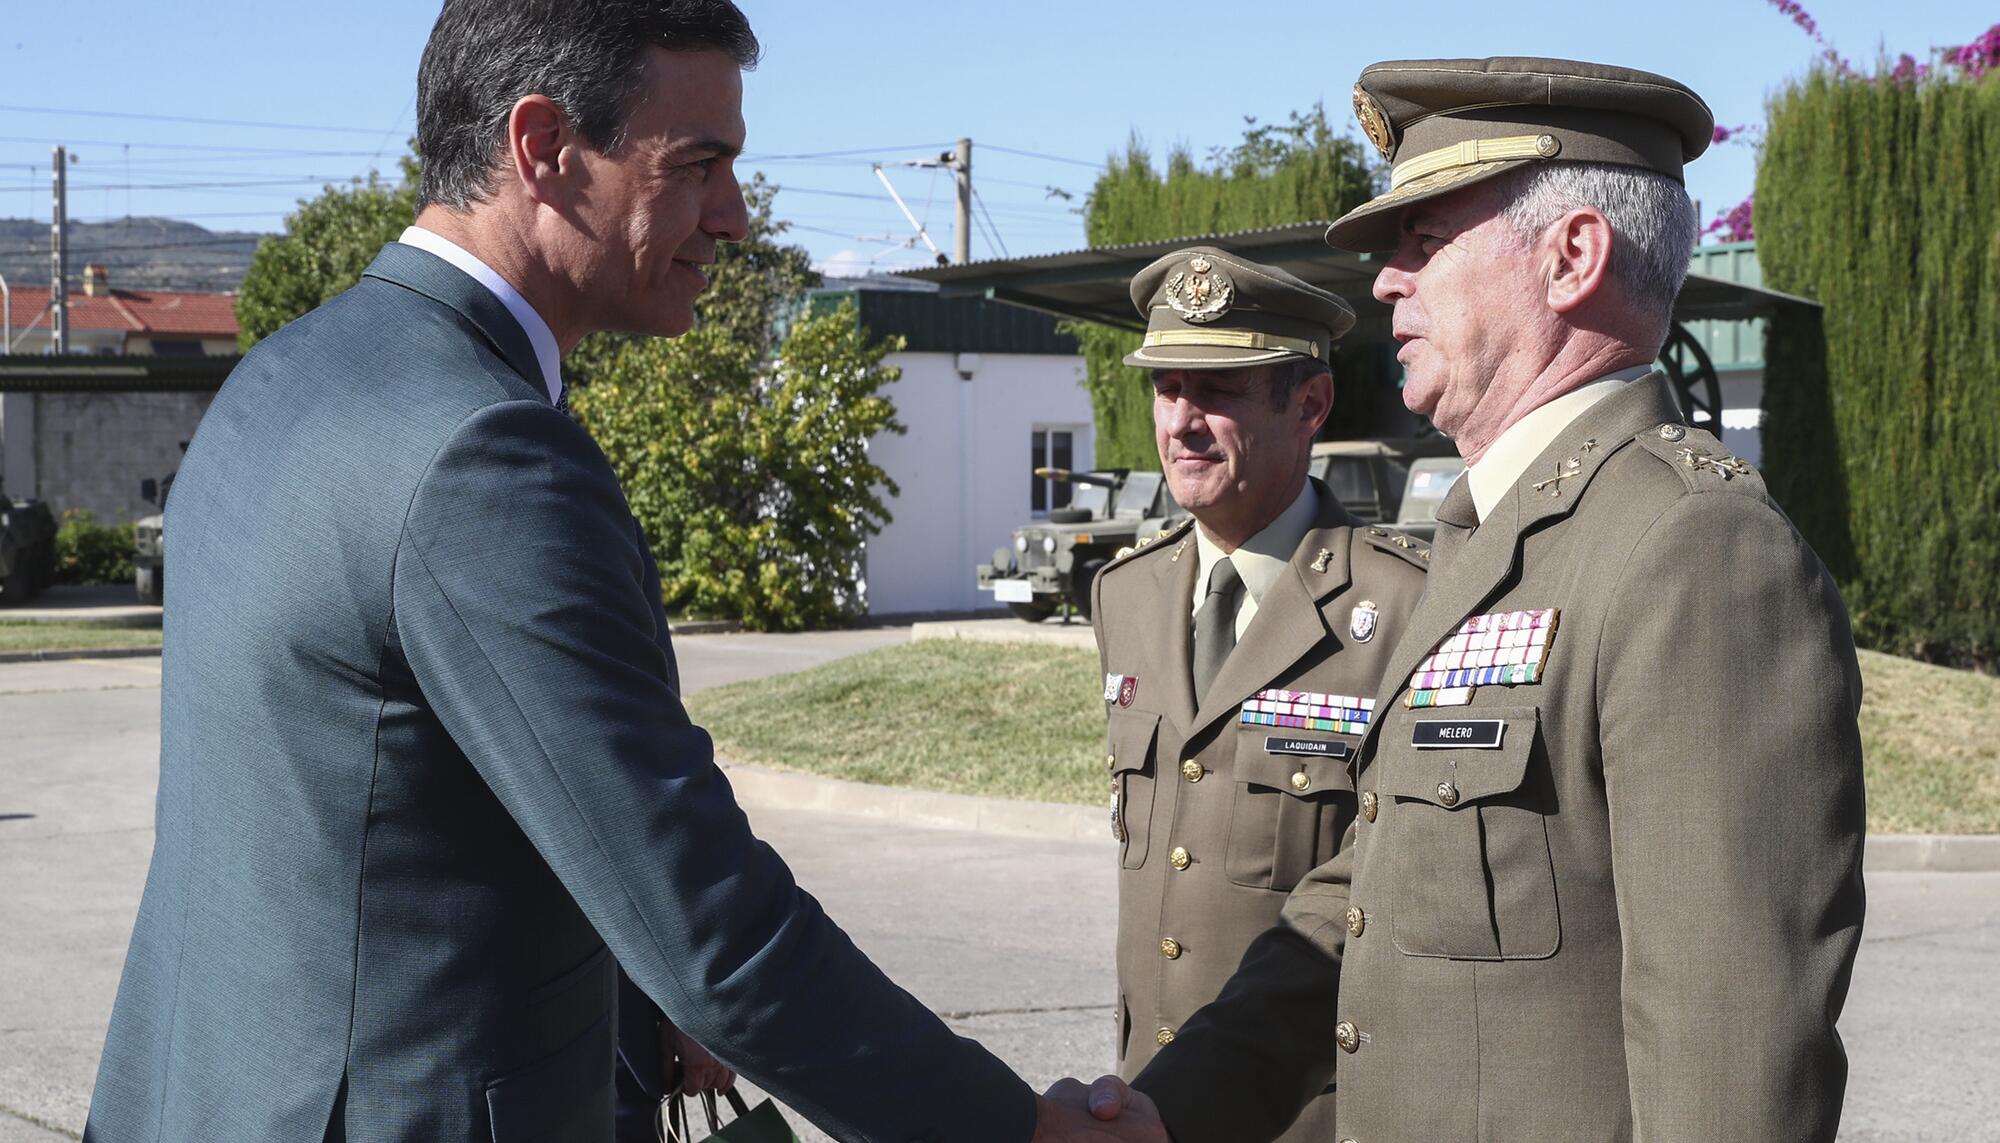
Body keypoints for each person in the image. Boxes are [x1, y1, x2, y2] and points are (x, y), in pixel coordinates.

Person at [82, 3, 1154, 1140]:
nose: (733, 218)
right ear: (542, 147)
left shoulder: (297, 370)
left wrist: (633, 991)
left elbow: (410, 801)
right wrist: (1015, 1130)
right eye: (698, 166)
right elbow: (712, 931)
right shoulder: (482, 455)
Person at [1109, 56, 1868, 1142]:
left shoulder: (1690, 553)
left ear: (1570, 257)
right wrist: (1167, 1114)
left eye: (1422, 245)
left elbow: (1730, 1051)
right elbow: (1365, 891)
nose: (1383, 284)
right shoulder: (1487, 541)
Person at [1088, 247, 1428, 1140]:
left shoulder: (1403, 606)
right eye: (1168, 388)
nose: (1183, 422)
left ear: (1310, 405)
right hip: (1147, 1102)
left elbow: (1384, 899)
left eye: (1221, 391)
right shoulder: (1125, 596)